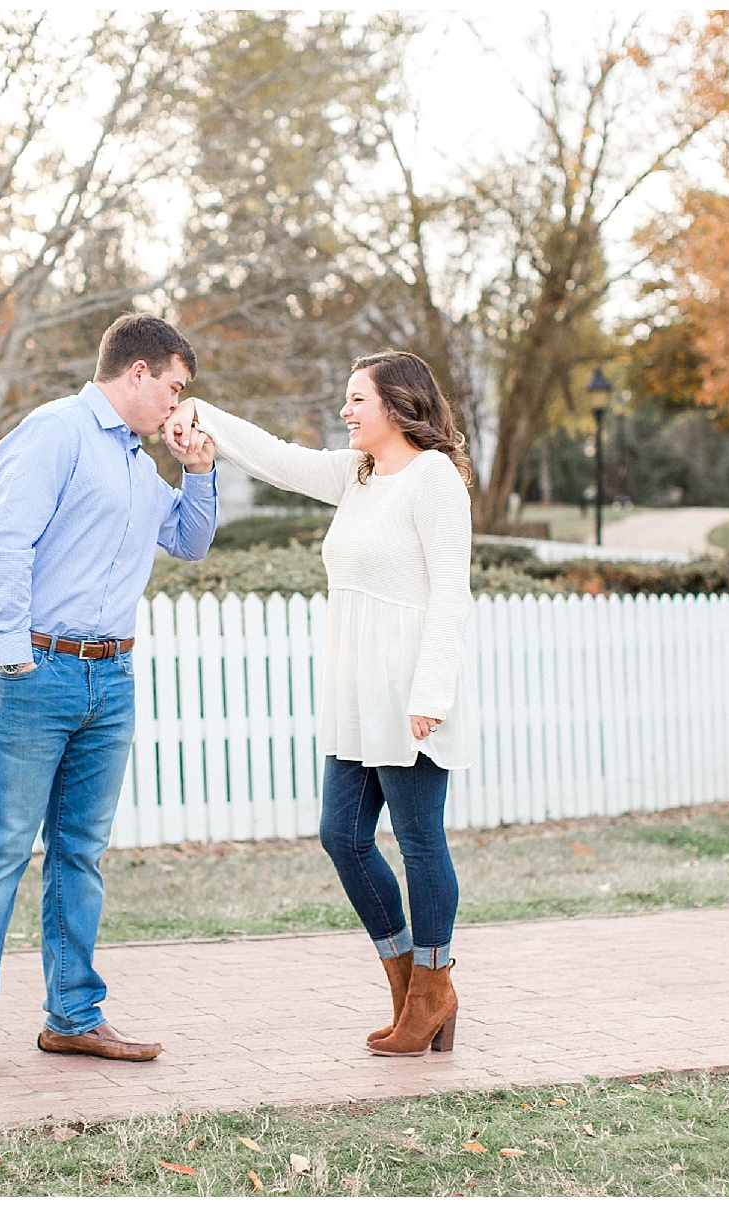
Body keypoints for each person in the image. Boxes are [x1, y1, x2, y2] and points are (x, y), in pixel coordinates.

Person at [0, 314, 217, 1078]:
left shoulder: (140, 467)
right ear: (138, 373)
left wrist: (198, 469)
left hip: (110, 678)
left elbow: (190, 540)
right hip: (38, 671)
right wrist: (12, 654)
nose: (178, 404)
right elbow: (6, 540)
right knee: (2, 845)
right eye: (175, 388)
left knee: (80, 852)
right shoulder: (53, 432)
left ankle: (74, 1017)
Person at [165, 351, 475, 1057]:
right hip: (356, 692)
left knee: (420, 840)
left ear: (398, 404)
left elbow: (451, 593)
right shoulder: (357, 475)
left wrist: (431, 692)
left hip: (407, 690)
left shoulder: (433, 478)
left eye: (357, 398)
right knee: (343, 835)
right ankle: (408, 981)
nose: (345, 410)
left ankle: (432, 988)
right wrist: (201, 413)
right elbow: (278, 458)